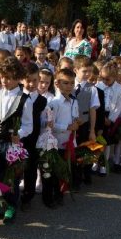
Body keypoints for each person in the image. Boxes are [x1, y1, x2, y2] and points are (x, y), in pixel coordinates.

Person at [0, 56, 33, 224]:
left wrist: (19, 134)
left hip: (12, 146)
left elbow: (29, 125)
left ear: (18, 77)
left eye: (9, 77)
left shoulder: (24, 99)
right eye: (2, 76)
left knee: (11, 178)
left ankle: (11, 206)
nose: (5, 80)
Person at [47, 68, 79, 203]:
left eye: (72, 83)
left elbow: (75, 116)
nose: (69, 86)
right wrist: (67, 127)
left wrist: (77, 122)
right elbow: (51, 124)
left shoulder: (74, 101)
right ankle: (56, 194)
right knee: (56, 171)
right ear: (57, 83)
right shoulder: (54, 103)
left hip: (70, 142)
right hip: (58, 142)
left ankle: (64, 189)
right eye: (66, 83)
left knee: (67, 168)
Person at [20, 63, 48, 210]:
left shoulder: (42, 101)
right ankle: (11, 194)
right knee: (15, 167)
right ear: (21, 79)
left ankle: (28, 196)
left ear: (39, 80)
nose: (31, 84)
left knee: (30, 168)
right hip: (18, 139)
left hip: (33, 140)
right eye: (27, 80)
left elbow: (43, 121)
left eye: (34, 80)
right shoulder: (18, 96)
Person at [73, 55, 100, 185]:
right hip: (70, 125)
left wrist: (92, 130)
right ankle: (73, 177)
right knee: (72, 151)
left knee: (84, 151)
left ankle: (84, 175)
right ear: (75, 70)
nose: (88, 74)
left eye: (90, 71)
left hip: (84, 124)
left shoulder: (92, 89)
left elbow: (93, 110)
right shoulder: (69, 85)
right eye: (84, 71)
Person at [95, 62, 121, 176]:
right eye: (102, 78)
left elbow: (119, 106)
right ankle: (94, 163)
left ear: (114, 77)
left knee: (106, 143)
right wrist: (101, 117)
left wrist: (111, 119)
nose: (104, 81)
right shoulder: (99, 86)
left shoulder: (120, 89)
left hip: (110, 117)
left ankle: (103, 165)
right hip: (99, 115)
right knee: (97, 141)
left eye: (107, 79)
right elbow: (96, 103)